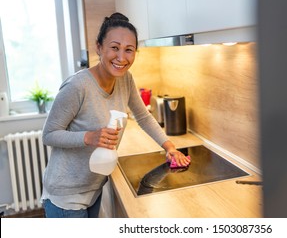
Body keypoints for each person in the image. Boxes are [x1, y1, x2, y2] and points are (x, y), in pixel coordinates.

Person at [41, 12, 190, 218]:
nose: (121, 57)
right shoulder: (78, 86)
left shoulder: (125, 79)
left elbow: (143, 116)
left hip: (95, 187)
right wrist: (89, 137)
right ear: (99, 47)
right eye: (114, 47)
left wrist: (169, 147)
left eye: (129, 50)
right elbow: (49, 134)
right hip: (66, 195)